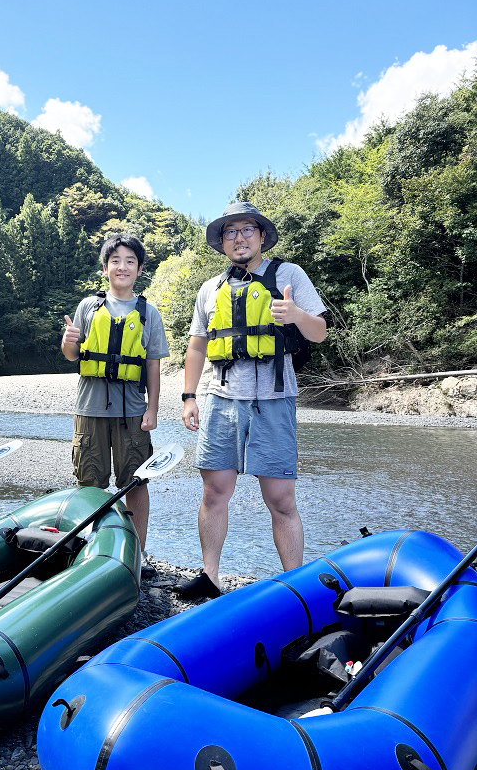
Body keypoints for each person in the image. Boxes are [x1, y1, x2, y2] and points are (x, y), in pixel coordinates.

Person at [178, 202, 327, 599]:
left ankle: (294, 584)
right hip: (221, 398)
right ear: (222, 242)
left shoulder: (289, 275)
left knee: (280, 498)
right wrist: (189, 396)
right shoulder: (210, 289)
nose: (239, 238)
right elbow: (196, 347)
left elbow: (319, 332)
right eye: (230, 232)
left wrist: (295, 313)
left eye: (247, 230)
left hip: (275, 399)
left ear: (261, 236)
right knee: (213, 491)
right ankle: (210, 576)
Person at [61, 233, 169, 574]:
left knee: (135, 482)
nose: (122, 267)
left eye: (130, 261)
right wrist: (68, 342)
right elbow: (72, 355)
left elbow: (152, 364)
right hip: (90, 407)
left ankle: (137, 552)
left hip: (132, 410)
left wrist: (152, 409)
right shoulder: (87, 307)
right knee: (89, 481)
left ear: (139, 269)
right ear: (105, 268)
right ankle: (91, 551)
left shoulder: (149, 313)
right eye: (115, 261)